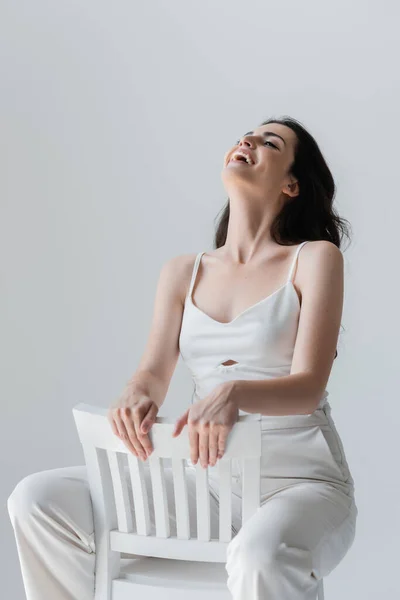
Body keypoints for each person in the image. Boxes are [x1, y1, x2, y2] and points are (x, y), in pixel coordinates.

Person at [8, 116, 358, 600]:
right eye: (246, 135)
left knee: (261, 556)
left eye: (269, 142)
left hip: (298, 484)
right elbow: (153, 372)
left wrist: (233, 394)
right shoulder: (182, 272)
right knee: (38, 500)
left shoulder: (315, 259)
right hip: (207, 486)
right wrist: (135, 394)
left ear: (292, 183)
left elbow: (308, 387)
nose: (248, 140)